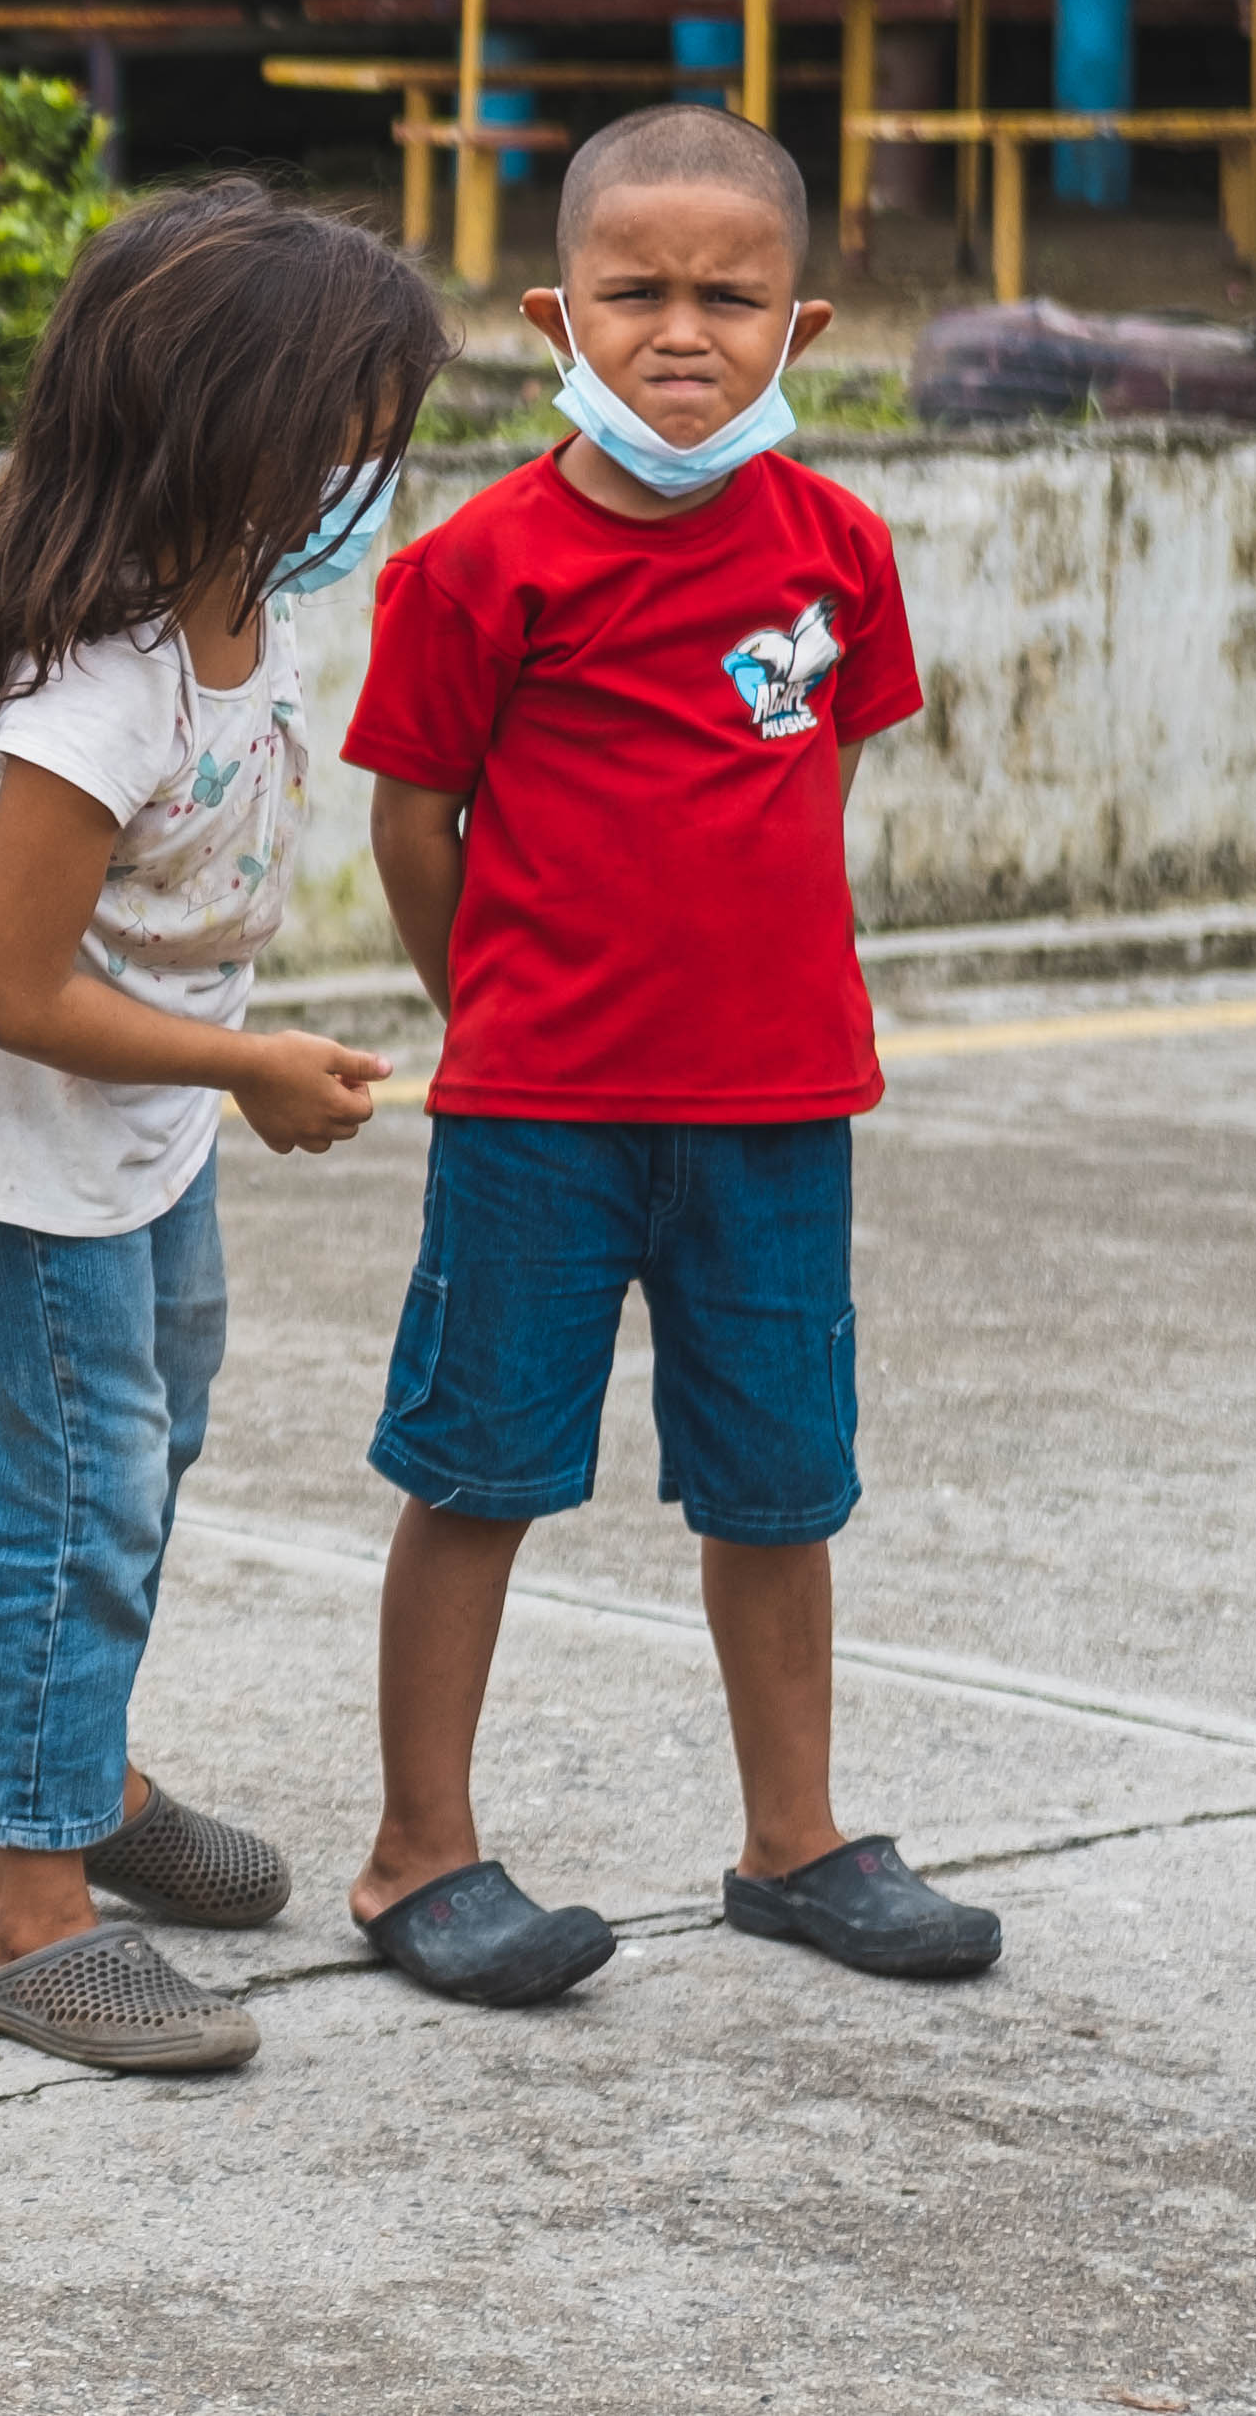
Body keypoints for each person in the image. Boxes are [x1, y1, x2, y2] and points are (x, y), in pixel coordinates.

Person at [338, 104, 1003, 2007]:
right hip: (539, 1114)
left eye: (732, 295)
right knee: (478, 1469)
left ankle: (793, 1844)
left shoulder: (838, 550)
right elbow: (414, 822)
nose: (682, 332)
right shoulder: (482, 565)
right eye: (635, 293)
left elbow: (825, 770)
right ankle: (418, 1858)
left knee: (779, 1486)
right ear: (559, 313)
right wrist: (496, 1018)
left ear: (803, 330)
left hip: (780, 1108)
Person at [0, 179, 451, 2074]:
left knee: (154, 1441)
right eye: (350, 437)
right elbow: (12, 992)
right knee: (75, 1509)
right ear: (227, 428)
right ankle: (32, 1910)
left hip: (140, 1137)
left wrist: (219, 1077)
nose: (372, 477)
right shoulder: (92, 682)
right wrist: (246, 1064)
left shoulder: (245, 596)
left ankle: (82, 1765)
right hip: (35, 1148)